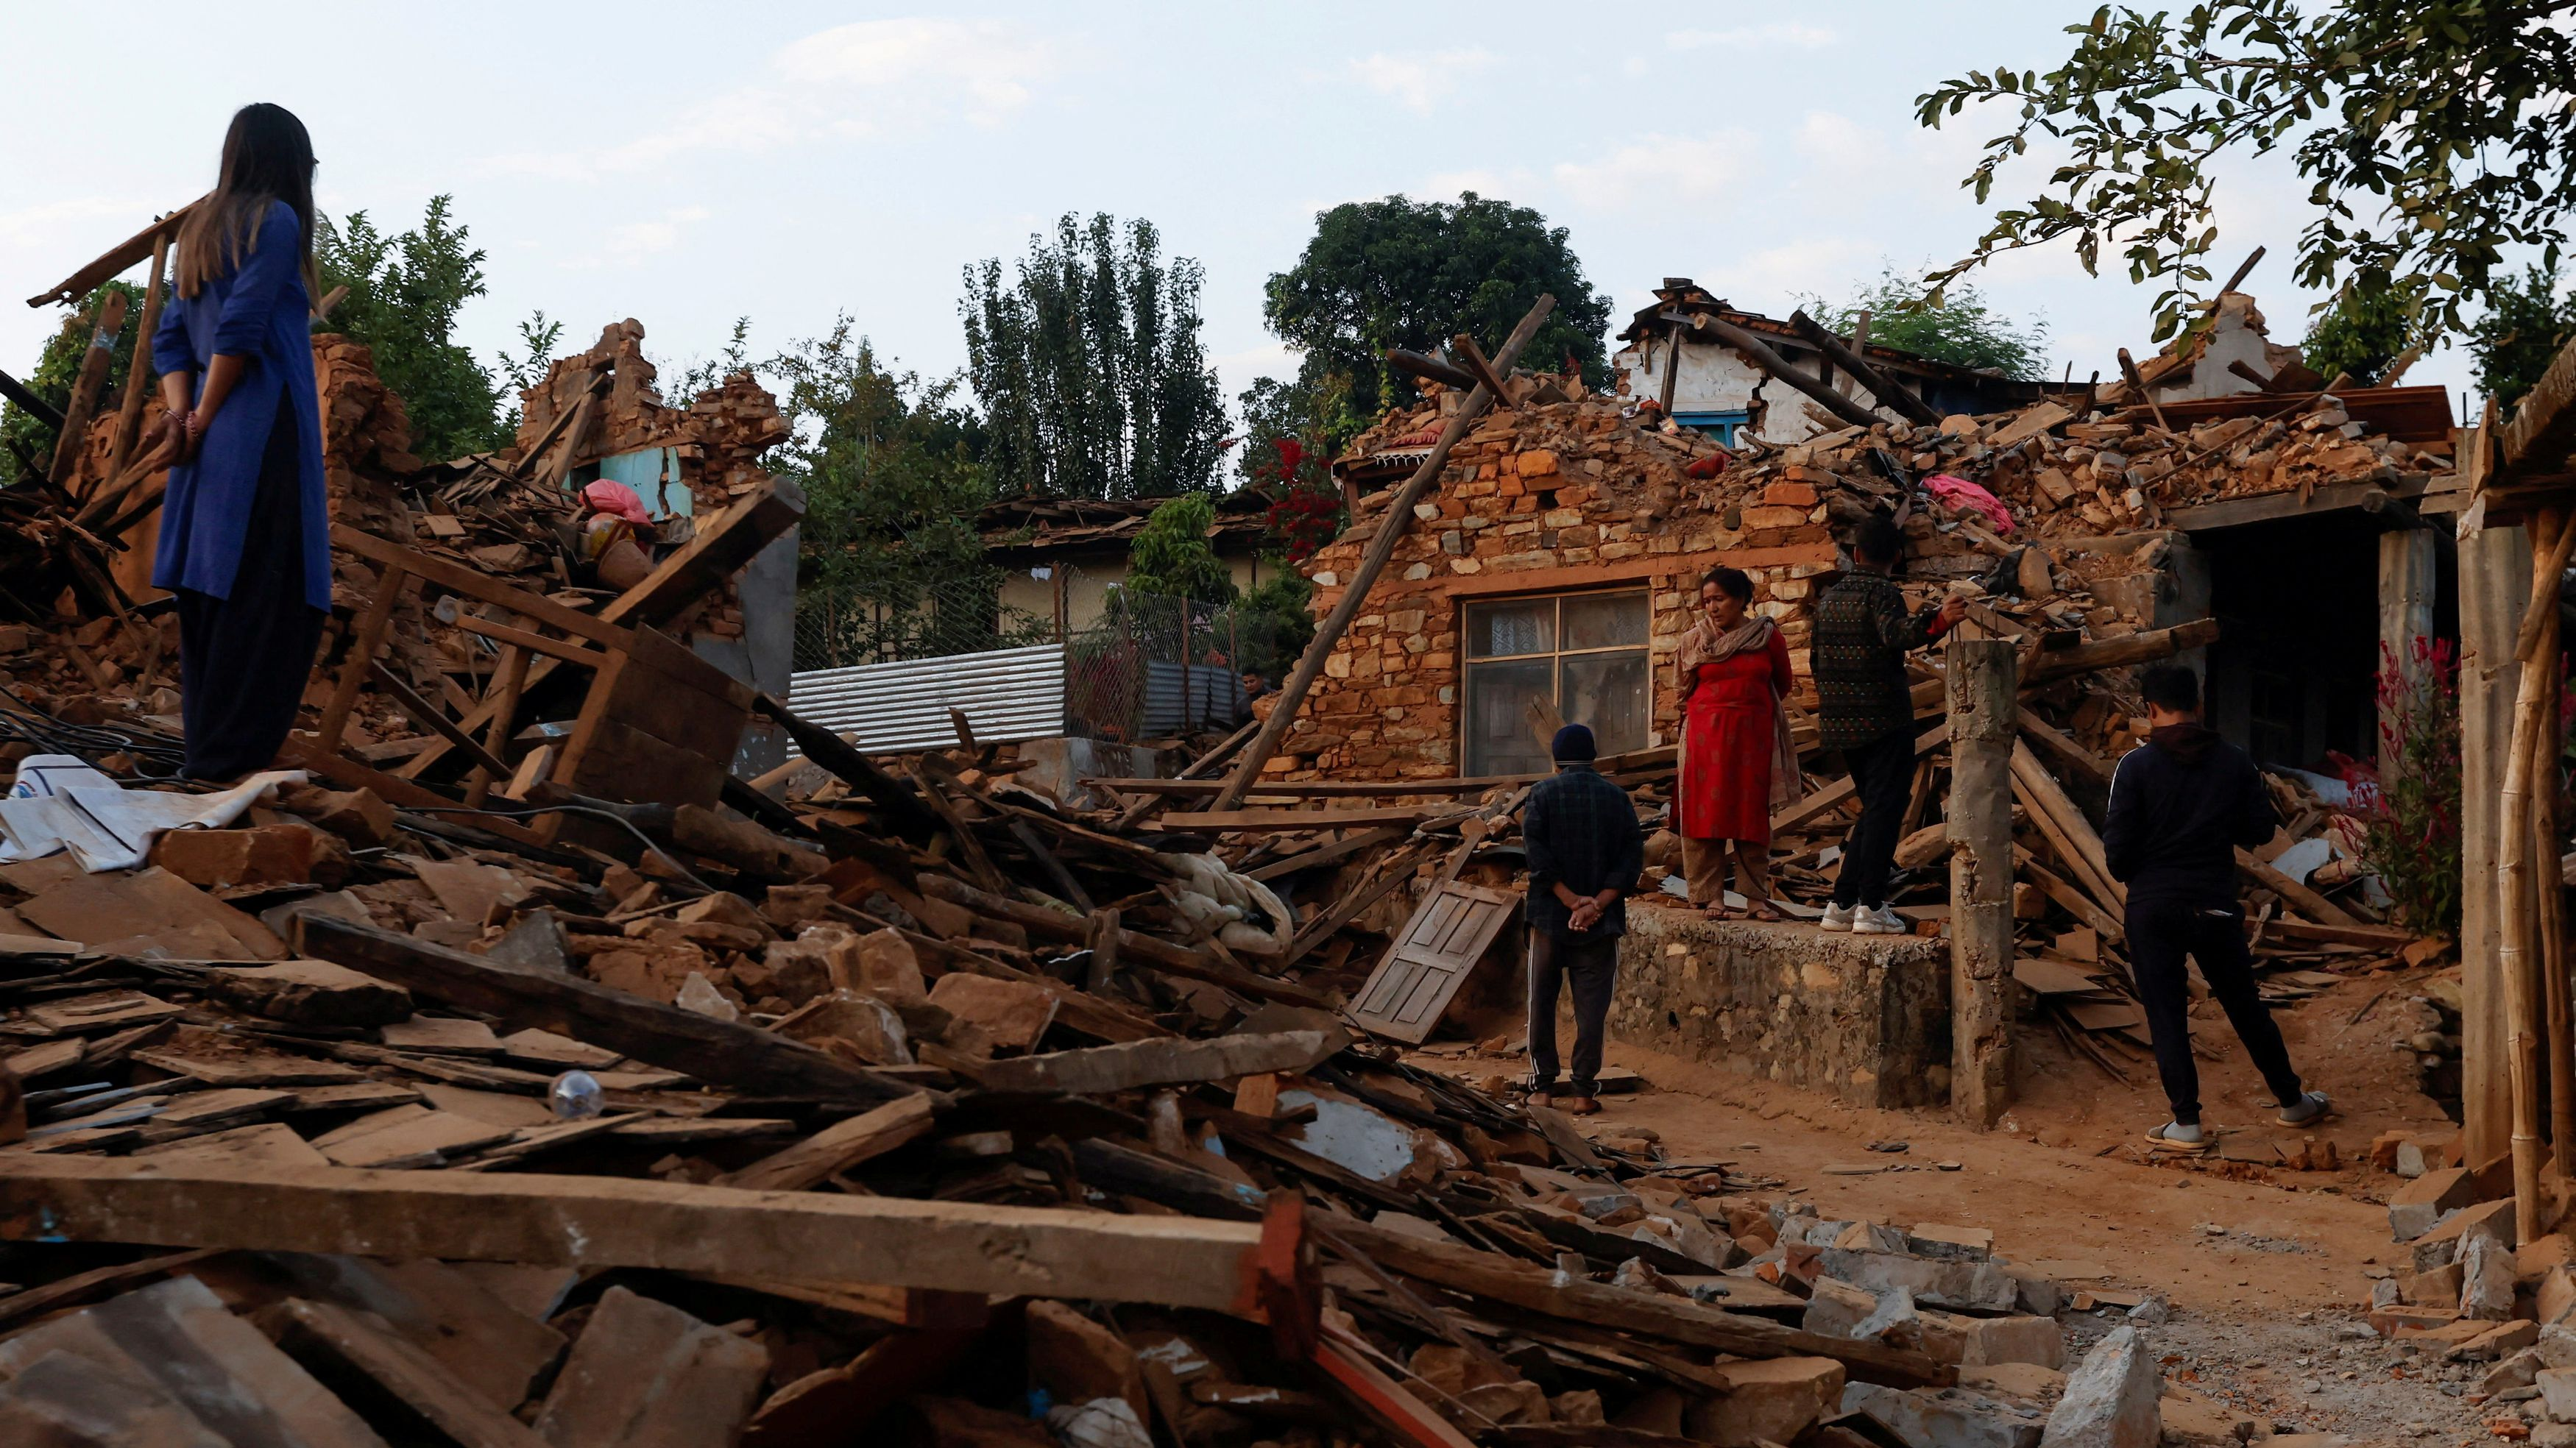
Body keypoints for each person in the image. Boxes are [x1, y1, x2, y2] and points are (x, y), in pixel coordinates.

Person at [149, 104, 329, 781]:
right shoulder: (275, 221)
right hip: (258, 435)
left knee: (210, 594)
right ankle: (229, 764)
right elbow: (243, 330)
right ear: (290, 162)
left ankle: (209, 759)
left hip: (203, 451)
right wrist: (204, 416)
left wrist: (183, 417)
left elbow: (172, 339)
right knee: (273, 597)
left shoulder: (199, 230)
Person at [2103, 664, 2331, 1149]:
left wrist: (2146, 874)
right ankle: (2294, 1103)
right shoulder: (2234, 761)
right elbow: (2261, 831)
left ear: (2149, 710)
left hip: (2153, 906)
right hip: (2214, 903)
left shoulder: (2134, 767)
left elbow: (2116, 854)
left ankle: (2186, 1123)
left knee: (2167, 1016)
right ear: (2199, 705)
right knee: (2245, 1006)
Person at [1812, 516, 1964, 934]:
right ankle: (1872, 904)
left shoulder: (1830, 599)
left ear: (1856, 554)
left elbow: (1814, 663)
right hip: (1883, 719)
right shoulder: (1883, 592)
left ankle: (1842, 903)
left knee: (1874, 810)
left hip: (1840, 723)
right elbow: (1895, 634)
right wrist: (1939, 621)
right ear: (1896, 556)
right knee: (1885, 810)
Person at [1521, 723, 1645, 1115]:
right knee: (1591, 1009)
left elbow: (1537, 857)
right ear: (1593, 756)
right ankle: (1583, 1093)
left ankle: (1541, 1088)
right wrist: (1597, 904)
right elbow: (1631, 859)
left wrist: (1570, 900)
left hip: (1548, 919)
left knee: (1541, 1001)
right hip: (1600, 923)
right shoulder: (1616, 798)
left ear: (1556, 759)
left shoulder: (1541, 794)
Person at [1674, 566, 1799, 920]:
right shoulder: (1695, 640)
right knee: (1705, 815)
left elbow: (1782, 683)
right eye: (1707, 601)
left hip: (1753, 737)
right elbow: (1682, 687)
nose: (1712, 608)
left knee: (1751, 816)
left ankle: (1755, 898)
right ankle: (1711, 896)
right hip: (1704, 736)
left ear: (1742, 599)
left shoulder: (1766, 637)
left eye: (1720, 599)